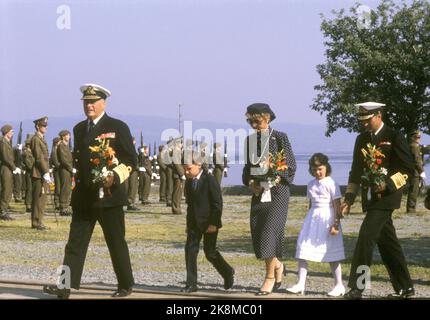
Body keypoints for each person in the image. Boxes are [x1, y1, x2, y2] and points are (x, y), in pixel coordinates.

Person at [43, 83, 136, 299]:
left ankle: (125, 284)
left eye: (93, 102)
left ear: (103, 103)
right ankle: (63, 286)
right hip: (84, 198)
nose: (89, 106)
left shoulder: (118, 126)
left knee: (116, 242)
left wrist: (114, 177)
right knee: (74, 244)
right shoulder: (78, 129)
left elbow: (131, 159)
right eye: (86, 102)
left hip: (109, 197)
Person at [341, 102, 415, 299]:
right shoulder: (361, 139)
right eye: (361, 121)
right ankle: (405, 288)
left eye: (367, 120)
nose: (364, 124)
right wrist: (349, 198)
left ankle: (358, 287)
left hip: (387, 198)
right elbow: (356, 171)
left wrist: (389, 185)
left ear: (379, 115)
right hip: (370, 198)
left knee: (365, 238)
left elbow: (408, 169)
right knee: (388, 244)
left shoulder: (394, 136)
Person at [242, 103, 296, 295]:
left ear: (267, 118)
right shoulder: (249, 141)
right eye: (250, 121)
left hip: (278, 192)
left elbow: (290, 166)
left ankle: (269, 277)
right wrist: (251, 184)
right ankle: (278, 266)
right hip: (259, 193)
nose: (254, 125)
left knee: (269, 232)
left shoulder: (280, 137)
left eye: (257, 121)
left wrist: (275, 177)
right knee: (258, 230)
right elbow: (247, 170)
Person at [287, 153, 345, 296]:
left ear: (326, 167)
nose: (317, 172)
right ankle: (300, 284)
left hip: (328, 218)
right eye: (314, 169)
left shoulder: (332, 183)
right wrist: (308, 221)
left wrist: (336, 224)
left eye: (320, 169)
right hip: (312, 219)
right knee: (303, 249)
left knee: (332, 253)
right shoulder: (311, 184)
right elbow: (311, 204)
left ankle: (339, 285)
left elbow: (337, 206)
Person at [181, 154, 235, 293]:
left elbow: (217, 203)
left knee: (210, 252)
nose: (186, 172)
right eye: (184, 170)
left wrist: (213, 223)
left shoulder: (209, 179)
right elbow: (190, 205)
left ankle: (227, 272)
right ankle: (191, 284)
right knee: (190, 251)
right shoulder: (189, 182)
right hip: (194, 223)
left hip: (209, 222)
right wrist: (188, 224)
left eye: (188, 169)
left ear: (198, 165)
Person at [30, 117, 51, 230]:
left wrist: (47, 170)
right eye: (43, 126)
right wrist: (45, 171)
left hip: (42, 171)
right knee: (38, 198)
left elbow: (45, 157)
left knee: (42, 198)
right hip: (38, 172)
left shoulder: (41, 138)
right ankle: (36, 222)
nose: (46, 128)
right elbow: (38, 157)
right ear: (38, 126)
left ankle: (39, 221)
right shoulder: (36, 139)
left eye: (46, 126)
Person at [0, 124, 18, 220]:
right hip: (6, 168)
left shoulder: (7, 142)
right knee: (6, 189)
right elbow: (6, 157)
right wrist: (14, 167)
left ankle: (4, 209)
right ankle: (2, 211)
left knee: (8, 189)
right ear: (6, 132)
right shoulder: (3, 142)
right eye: (11, 131)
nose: (12, 133)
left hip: (8, 168)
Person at [406, 130, 425, 213]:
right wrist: (422, 171)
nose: (418, 139)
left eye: (419, 137)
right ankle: (411, 209)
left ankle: (411, 208)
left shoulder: (414, 145)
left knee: (414, 190)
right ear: (412, 138)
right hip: (415, 172)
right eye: (417, 137)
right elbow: (417, 160)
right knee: (414, 191)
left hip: (415, 171)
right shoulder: (414, 146)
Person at [57, 130, 74, 216]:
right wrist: (71, 168)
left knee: (68, 188)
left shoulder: (66, 146)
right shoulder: (61, 146)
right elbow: (63, 160)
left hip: (68, 169)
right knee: (65, 188)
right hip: (65, 169)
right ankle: (63, 207)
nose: (69, 137)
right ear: (63, 136)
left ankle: (66, 206)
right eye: (68, 135)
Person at [171, 138, 186, 214]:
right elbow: (177, 164)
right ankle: (175, 208)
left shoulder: (178, 151)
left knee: (179, 193)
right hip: (177, 175)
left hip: (179, 174)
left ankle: (177, 207)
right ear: (177, 144)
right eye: (181, 143)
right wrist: (182, 174)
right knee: (177, 192)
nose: (182, 144)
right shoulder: (176, 152)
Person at [126, 137, 139, 211]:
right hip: (132, 169)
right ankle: (130, 203)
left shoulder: (131, 148)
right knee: (132, 186)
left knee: (132, 187)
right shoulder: (130, 148)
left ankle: (130, 202)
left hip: (133, 169)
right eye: (134, 141)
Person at [22, 134, 34, 213]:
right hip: (30, 172)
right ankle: (28, 205)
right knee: (29, 189)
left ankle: (30, 204)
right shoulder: (26, 153)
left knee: (31, 189)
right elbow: (29, 164)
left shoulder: (30, 152)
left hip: (32, 172)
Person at [50, 137, 61, 210]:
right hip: (57, 171)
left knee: (60, 187)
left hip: (59, 170)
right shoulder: (54, 151)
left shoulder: (58, 150)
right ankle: (56, 202)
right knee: (58, 187)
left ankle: (59, 202)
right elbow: (55, 162)